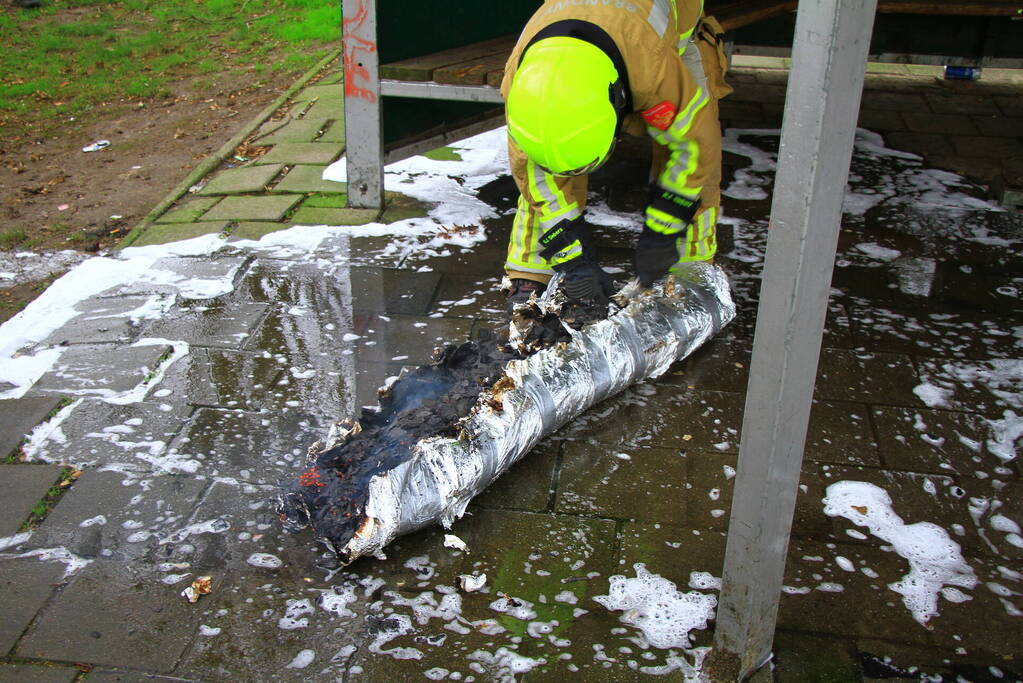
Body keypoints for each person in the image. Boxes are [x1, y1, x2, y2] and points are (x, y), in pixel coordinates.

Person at [500, 0, 731, 316]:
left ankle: (691, 270)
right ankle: (530, 271)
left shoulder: (653, 69)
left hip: (667, 41)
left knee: (692, 155)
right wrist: (573, 260)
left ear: (618, 103)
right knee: (538, 168)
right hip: (595, 43)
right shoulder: (523, 81)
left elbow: (695, 146)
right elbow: (534, 171)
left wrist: (663, 229)